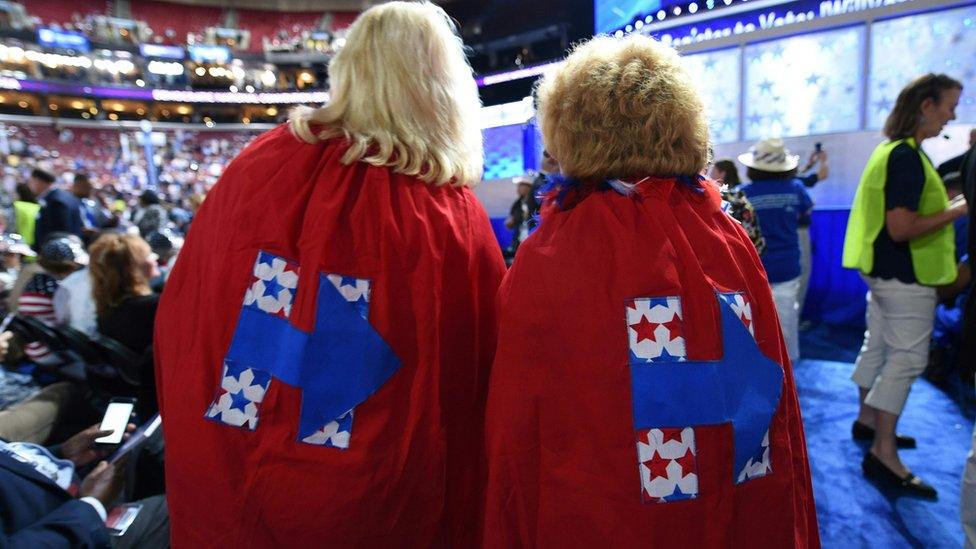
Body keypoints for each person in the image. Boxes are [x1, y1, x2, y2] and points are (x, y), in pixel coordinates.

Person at [155, 2, 505, 546]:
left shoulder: (256, 169)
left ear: (348, 70)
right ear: (441, 85)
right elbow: (476, 383)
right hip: (375, 503)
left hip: (234, 479)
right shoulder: (447, 216)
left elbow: (187, 314)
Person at [483, 33, 818, 546]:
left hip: (603, 512)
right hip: (734, 488)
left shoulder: (556, 248)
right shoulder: (723, 233)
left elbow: (522, 416)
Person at [842, 73, 967, 498]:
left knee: (877, 346)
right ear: (926, 106)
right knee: (907, 360)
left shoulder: (889, 150)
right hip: (905, 276)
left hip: (884, 273)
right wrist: (961, 209)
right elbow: (902, 227)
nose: (952, 117)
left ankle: (869, 421)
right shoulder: (908, 157)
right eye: (949, 106)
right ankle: (883, 450)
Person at [0, 421, 170, 547]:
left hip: (70, 489)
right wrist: (91, 505)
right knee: (180, 506)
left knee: (163, 431)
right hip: (72, 529)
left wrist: (61, 454)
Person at [737, 139, 814, 364]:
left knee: (753, 325)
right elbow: (805, 217)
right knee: (786, 323)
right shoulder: (796, 190)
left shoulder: (742, 194)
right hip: (787, 267)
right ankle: (788, 374)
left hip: (752, 269)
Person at [16, 234, 87, 366]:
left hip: (33, 347)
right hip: (50, 352)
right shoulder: (59, 289)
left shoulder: (35, 281)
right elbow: (69, 322)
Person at [710, 159, 766, 255]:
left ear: (722, 174)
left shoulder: (725, 198)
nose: (710, 176)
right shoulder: (741, 194)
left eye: (713, 172)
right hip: (752, 254)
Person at [32, 168, 85, 246]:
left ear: (38, 181)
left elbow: (59, 234)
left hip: (57, 252)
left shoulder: (55, 201)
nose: (30, 185)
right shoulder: (66, 196)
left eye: (32, 181)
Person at [504, 172, 540, 257]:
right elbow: (511, 221)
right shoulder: (518, 204)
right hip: (519, 242)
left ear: (530, 186)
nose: (518, 188)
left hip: (535, 242)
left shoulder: (538, 202)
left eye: (521, 185)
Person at [12, 183, 38, 248]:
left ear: (19, 194)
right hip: (35, 245)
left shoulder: (16, 205)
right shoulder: (37, 206)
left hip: (19, 246)